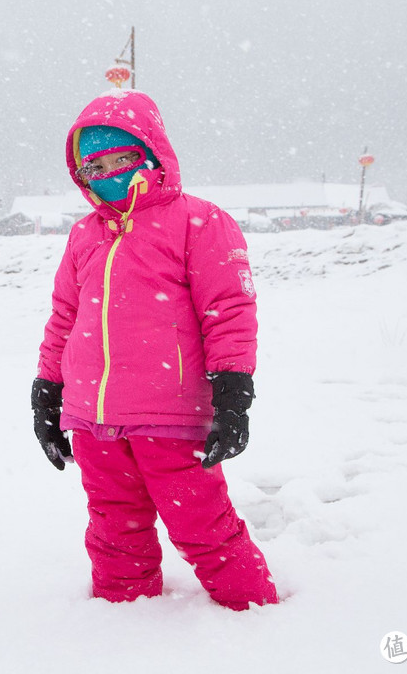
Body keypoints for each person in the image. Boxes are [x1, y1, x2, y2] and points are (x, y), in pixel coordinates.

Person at [31, 89, 279, 609]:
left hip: (170, 414)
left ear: (152, 153)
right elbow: (63, 319)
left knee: (203, 526)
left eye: (123, 157)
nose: (110, 171)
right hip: (93, 416)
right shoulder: (84, 234)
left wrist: (233, 395)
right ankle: (125, 626)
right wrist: (47, 394)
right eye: (94, 164)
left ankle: (255, 617)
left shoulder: (199, 221)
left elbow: (230, 312)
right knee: (113, 531)